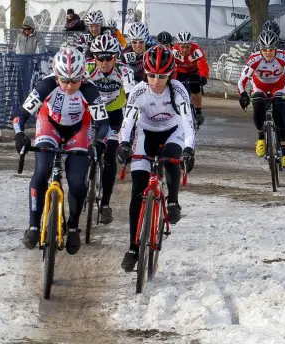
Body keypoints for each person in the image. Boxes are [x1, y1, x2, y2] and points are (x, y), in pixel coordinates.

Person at [13, 47, 110, 255]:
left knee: (76, 181)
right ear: (56, 76)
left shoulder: (89, 90)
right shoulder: (46, 85)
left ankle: (73, 227)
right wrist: (19, 133)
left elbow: (103, 124)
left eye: (74, 81)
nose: (68, 86)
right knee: (41, 172)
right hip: (49, 125)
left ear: (82, 77)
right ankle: (33, 226)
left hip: (78, 129)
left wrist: (100, 142)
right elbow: (20, 115)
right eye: (64, 80)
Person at [117, 45, 195, 272]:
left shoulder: (178, 90)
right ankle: (132, 248)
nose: (156, 81)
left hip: (173, 131)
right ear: (145, 74)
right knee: (137, 190)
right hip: (146, 133)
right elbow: (128, 122)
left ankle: (172, 202)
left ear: (170, 74)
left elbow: (188, 124)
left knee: (171, 157)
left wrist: (189, 149)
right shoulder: (139, 91)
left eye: (162, 76)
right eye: (152, 75)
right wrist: (123, 144)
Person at [87, 34, 135, 224]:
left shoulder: (124, 71)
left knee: (109, 158)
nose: (105, 63)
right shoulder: (87, 68)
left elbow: (132, 96)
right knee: (83, 151)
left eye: (109, 58)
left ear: (116, 57)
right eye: (100, 58)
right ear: (94, 57)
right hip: (92, 112)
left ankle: (105, 204)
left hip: (115, 115)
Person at [237, 30, 285, 168]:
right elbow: (242, 80)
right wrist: (243, 94)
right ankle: (260, 138)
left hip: (278, 86)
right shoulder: (254, 58)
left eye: (271, 49)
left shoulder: (284, 57)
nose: (268, 53)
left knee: (279, 113)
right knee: (257, 105)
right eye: (265, 50)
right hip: (260, 87)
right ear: (261, 49)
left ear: (275, 48)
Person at [254, 20, 285, 156]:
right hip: (262, 80)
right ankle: (261, 136)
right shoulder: (258, 45)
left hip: (281, 78)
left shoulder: (284, 45)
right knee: (257, 104)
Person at [172, 31, 209, 127]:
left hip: (193, 71)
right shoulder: (173, 51)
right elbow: (170, 66)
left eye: (187, 47)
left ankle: (198, 112)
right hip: (180, 71)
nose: (184, 50)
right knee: (174, 88)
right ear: (178, 45)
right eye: (182, 47)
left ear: (191, 45)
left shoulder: (197, 51)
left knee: (195, 86)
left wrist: (204, 76)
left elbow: (203, 66)